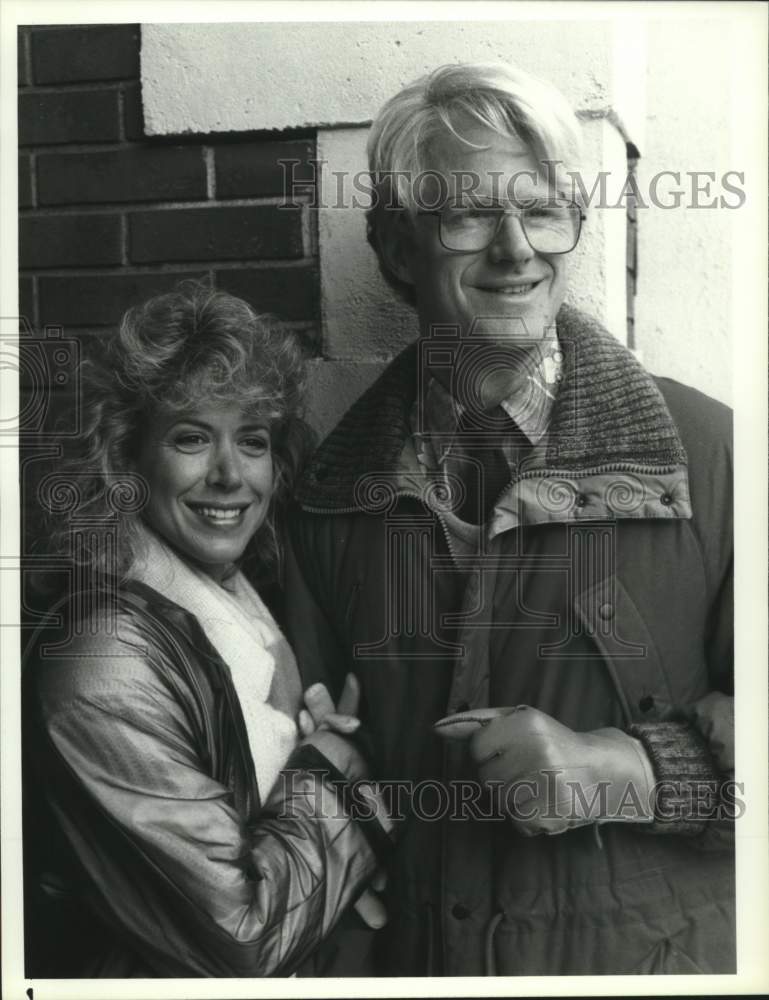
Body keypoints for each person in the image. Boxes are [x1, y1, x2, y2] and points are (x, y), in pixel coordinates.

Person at [284, 63, 735, 975]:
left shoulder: (710, 453)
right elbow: (308, 767)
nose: (515, 248)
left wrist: (631, 771)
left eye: (542, 210)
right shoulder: (328, 494)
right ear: (398, 249)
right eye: (466, 215)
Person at [22, 283, 392, 978]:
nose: (229, 475)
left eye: (251, 441)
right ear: (126, 459)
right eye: (191, 438)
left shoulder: (243, 603)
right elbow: (244, 937)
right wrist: (338, 770)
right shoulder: (106, 665)